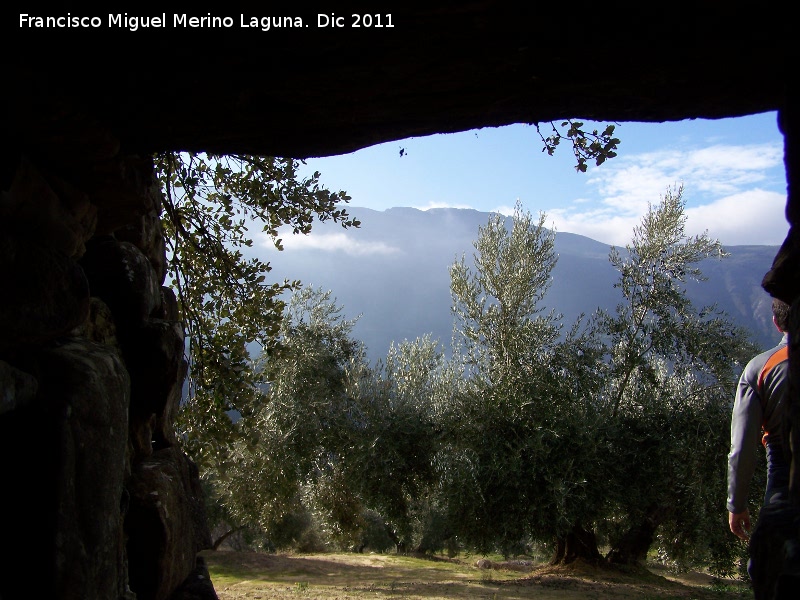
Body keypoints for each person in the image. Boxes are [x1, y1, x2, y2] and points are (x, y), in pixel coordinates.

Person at [727, 297, 791, 541]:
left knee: (772, 565)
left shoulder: (759, 368)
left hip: (785, 475)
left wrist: (736, 503)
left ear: (776, 322)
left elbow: (742, 447)